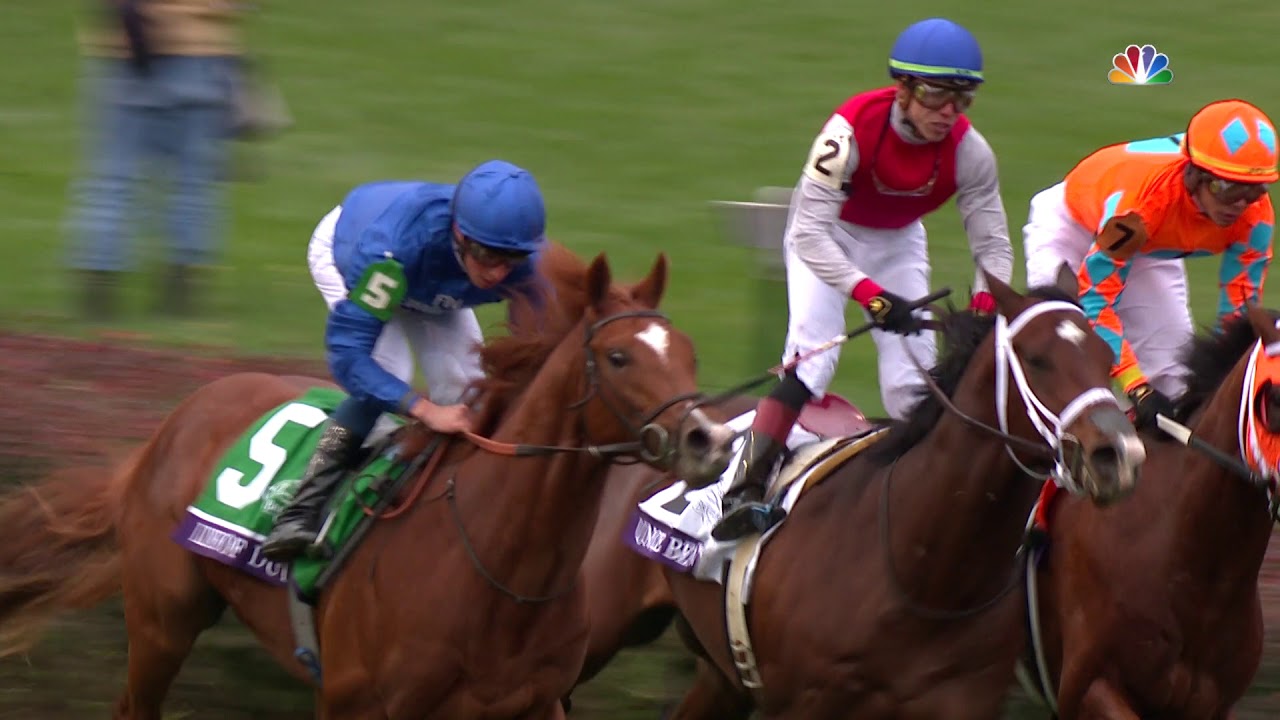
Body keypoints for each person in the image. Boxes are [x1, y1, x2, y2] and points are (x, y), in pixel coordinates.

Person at [712, 17, 1015, 542]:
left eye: (962, 100)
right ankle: (743, 489)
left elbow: (992, 245)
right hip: (827, 236)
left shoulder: (972, 153)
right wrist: (872, 297)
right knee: (814, 357)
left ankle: (930, 500)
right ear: (903, 89)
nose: (949, 113)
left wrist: (986, 308)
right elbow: (808, 233)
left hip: (897, 241)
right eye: (936, 95)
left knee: (911, 381)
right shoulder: (849, 131)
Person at [262, 160, 549, 562]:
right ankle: (299, 511)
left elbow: (532, 352)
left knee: (466, 388)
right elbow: (349, 357)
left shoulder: (529, 265)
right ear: (460, 234)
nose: (498, 273)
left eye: (512, 260)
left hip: (434, 281)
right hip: (350, 255)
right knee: (389, 374)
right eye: (487, 256)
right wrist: (423, 409)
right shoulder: (392, 249)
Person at [1023, 99, 1277, 431]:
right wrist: (1135, 386)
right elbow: (1096, 299)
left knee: (1177, 385)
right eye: (1226, 188)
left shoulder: (1255, 218)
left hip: (1152, 250)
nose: (1239, 205)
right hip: (1074, 228)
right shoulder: (1140, 208)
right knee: (1069, 365)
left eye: (1254, 190)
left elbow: (1236, 316)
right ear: (1193, 175)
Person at [69, 0, 249, 320]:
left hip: (126, 48)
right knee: (193, 180)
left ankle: (97, 291)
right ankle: (180, 294)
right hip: (203, 51)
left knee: (113, 179)